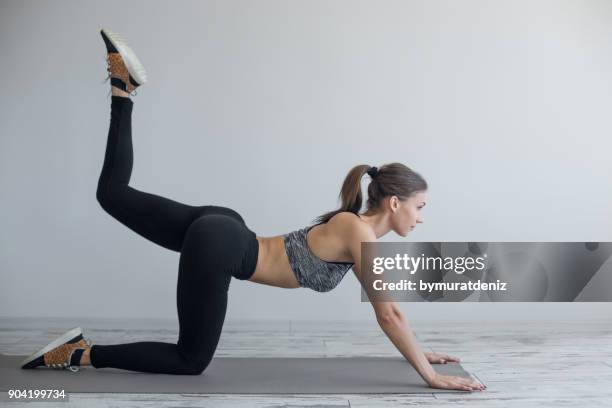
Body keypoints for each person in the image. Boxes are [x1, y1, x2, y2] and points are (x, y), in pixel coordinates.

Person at [20, 29, 484, 392]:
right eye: (420, 207)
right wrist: (429, 374)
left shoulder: (354, 228)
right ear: (395, 202)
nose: (421, 218)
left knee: (112, 194)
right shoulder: (357, 232)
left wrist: (424, 355)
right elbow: (390, 316)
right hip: (223, 245)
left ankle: (123, 90)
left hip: (224, 232)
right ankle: (82, 354)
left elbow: (393, 315)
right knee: (191, 361)